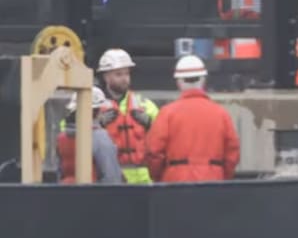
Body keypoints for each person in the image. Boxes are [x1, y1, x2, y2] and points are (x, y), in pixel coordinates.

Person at [145, 55, 240, 183]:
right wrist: (222, 175)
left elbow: (154, 152)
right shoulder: (221, 114)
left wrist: (161, 177)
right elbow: (232, 152)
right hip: (213, 181)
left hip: (175, 181)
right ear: (204, 80)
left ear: (179, 82)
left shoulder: (167, 113)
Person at [95, 48, 158, 183]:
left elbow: (163, 135)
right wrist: (96, 124)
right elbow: (70, 130)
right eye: (119, 74)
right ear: (106, 76)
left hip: (144, 180)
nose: (125, 79)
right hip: (112, 179)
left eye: (127, 74)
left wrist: (150, 124)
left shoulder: (144, 105)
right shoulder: (94, 106)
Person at [57, 87, 124, 184]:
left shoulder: (62, 138)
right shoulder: (100, 137)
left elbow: (60, 173)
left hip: (66, 194)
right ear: (98, 111)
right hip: (93, 195)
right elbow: (111, 177)